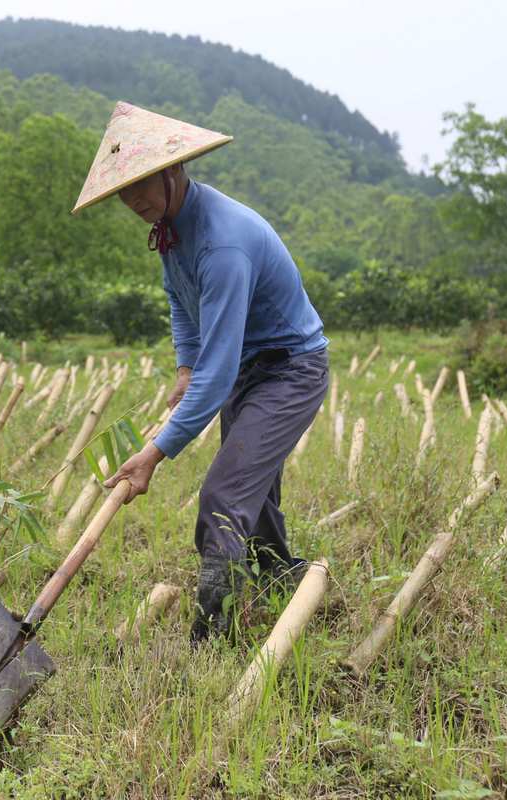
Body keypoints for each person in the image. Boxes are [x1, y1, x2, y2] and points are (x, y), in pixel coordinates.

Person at [72, 101, 330, 643]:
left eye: (142, 184)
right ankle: (283, 580)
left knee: (223, 497)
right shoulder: (172, 228)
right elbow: (179, 301)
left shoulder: (223, 244)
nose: (133, 200)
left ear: (174, 170)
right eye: (124, 190)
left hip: (290, 370)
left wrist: (152, 455)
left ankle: (213, 635)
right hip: (247, 369)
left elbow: (217, 379)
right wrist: (184, 365)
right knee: (249, 491)